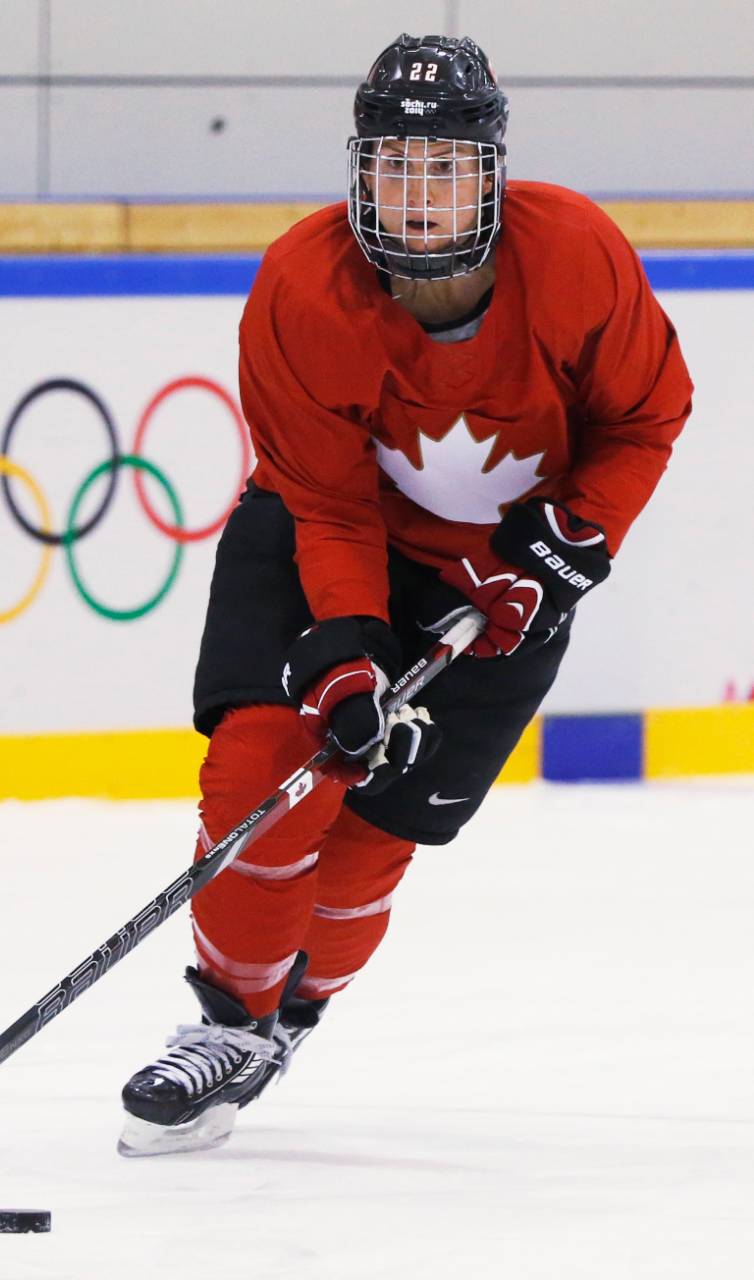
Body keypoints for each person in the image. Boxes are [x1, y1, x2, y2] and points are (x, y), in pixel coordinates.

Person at [117, 33, 693, 1156]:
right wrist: (345, 642)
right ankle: (228, 1022)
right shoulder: (302, 286)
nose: (418, 193)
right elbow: (325, 502)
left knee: (373, 836)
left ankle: (289, 1019)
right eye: (393, 163)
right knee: (263, 763)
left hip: (502, 574)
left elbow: (645, 416)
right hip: (328, 529)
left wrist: (573, 542)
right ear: (358, 169)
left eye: (445, 166)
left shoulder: (575, 254)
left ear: (492, 174)